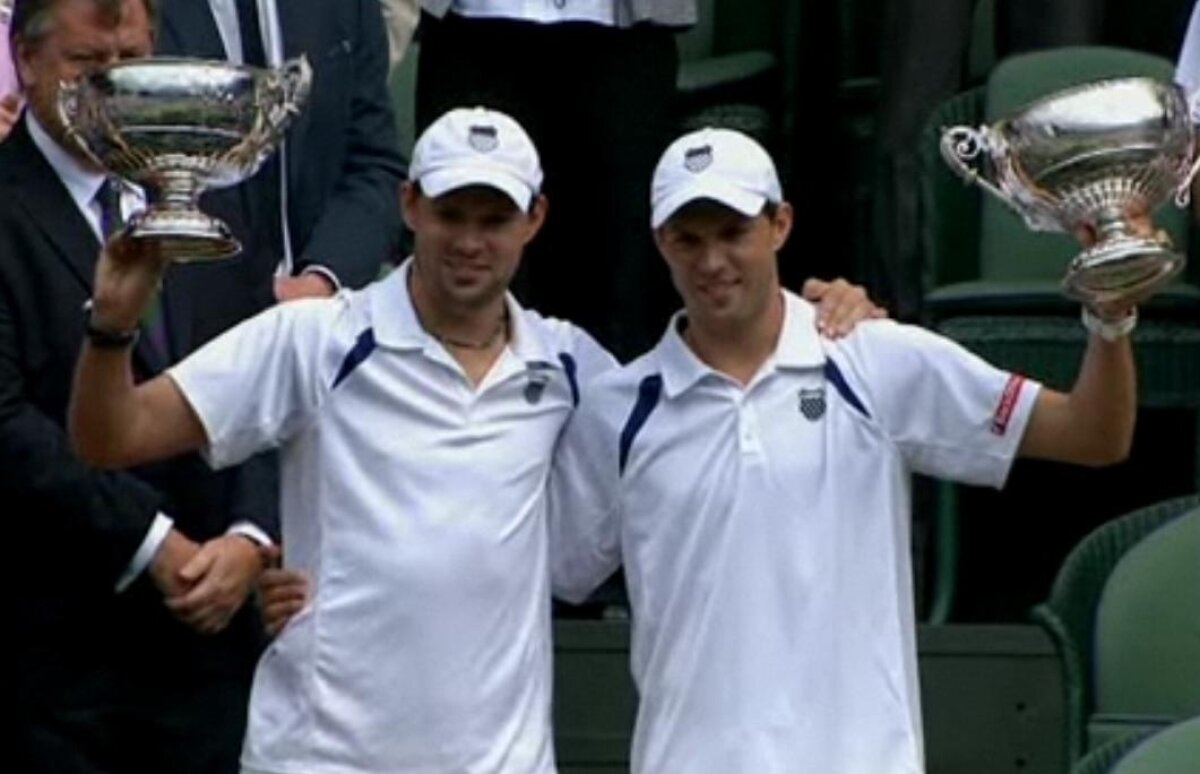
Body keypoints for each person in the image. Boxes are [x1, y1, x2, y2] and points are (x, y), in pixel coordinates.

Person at [67, 106, 882, 772]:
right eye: (451, 213)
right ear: (410, 206)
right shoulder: (315, 338)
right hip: (318, 760)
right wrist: (112, 328)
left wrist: (833, 319)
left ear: (535, 220)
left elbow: (716, 392)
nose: (469, 240)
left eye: (494, 218)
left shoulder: (574, 368)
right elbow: (114, 438)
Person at [546, 127, 1139, 774]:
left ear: (780, 224)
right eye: (689, 238)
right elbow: (549, 571)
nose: (711, 260)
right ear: (662, 242)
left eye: (733, 231)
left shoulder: (874, 358)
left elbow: (1092, 435)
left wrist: (1109, 318)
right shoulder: (617, 409)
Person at [3, 0, 276, 771]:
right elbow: (6, 421)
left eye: (129, 65)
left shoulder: (210, 196)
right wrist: (154, 544)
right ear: (26, 60)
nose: (110, 89)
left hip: (212, 656)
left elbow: (265, 382)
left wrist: (249, 539)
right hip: (53, 661)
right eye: (88, 68)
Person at [415, 1, 693, 361]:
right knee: (469, 234)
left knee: (622, 263)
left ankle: (609, 411)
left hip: (621, 31)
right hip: (473, 24)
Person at [155, 0, 406, 305]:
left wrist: (323, 278)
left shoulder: (343, 7)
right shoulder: (126, 16)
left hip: (318, 317)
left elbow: (372, 162)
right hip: (180, 317)